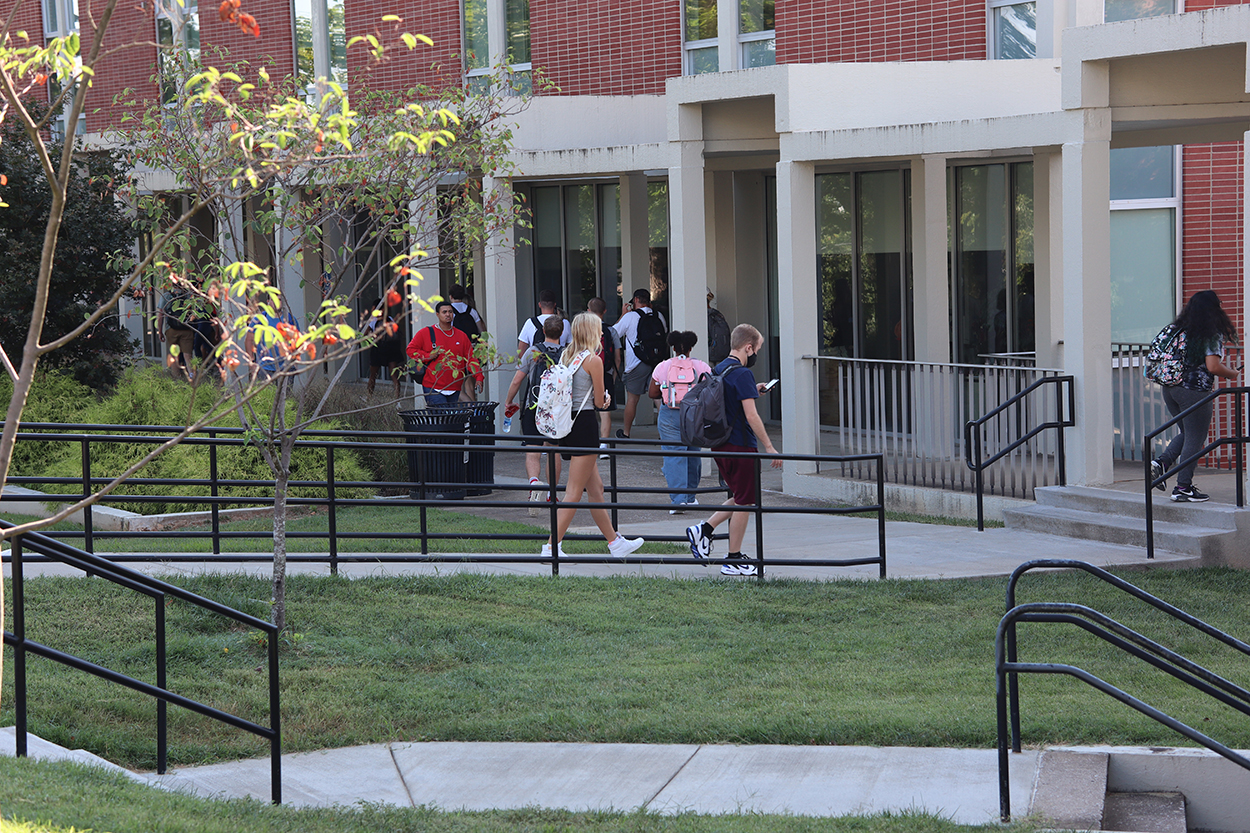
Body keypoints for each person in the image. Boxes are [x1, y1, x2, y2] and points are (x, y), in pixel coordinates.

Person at [543, 312, 644, 559]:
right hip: (585, 425)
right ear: (590, 332)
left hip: (568, 424)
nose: (602, 333)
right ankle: (551, 546)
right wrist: (607, 398)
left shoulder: (567, 355)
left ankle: (614, 543)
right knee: (575, 492)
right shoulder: (593, 360)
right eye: (598, 329)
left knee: (596, 488)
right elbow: (600, 402)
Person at [685, 323, 782, 576]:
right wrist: (770, 447)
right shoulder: (742, 374)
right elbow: (751, 416)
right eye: (756, 349)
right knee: (746, 501)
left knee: (741, 495)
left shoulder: (719, 369)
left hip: (720, 444)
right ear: (748, 347)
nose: (755, 354)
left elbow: (730, 402)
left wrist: (755, 389)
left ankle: (704, 530)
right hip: (740, 444)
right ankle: (733, 558)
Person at [1150, 290, 1241, 503]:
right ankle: (1183, 487)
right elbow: (1213, 366)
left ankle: (1162, 463)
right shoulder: (1210, 332)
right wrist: (1232, 373)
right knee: (1196, 437)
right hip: (1193, 390)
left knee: (1188, 432)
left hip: (1169, 387)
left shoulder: (1177, 329)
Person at [504, 314, 565, 514]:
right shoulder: (567, 353)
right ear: (562, 332)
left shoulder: (532, 352)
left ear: (543, 331)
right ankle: (552, 493)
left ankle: (533, 485)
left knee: (533, 451)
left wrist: (509, 401)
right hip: (556, 410)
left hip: (533, 407)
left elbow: (517, 380)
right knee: (552, 450)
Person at [649, 330, 712, 513]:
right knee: (693, 454)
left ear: (673, 347)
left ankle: (678, 501)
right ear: (691, 347)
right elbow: (711, 390)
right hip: (694, 414)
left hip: (670, 414)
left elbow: (652, 393)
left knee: (674, 456)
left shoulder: (663, 366)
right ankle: (690, 497)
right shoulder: (701, 366)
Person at [611, 288, 668, 439]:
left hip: (636, 364)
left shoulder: (630, 317)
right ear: (648, 301)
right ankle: (664, 432)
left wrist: (623, 315)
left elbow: (613, 333)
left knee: (632, 399)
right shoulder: (659, 316)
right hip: (656, 362)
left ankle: (626, 432)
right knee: (658, 398)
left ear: (635, 300)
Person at [406, 300, 484, 407]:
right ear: (438, 314)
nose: (448, 314)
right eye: (444, 312)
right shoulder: (426, 332)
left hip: (455, 387)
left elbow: (471, 359)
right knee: (441, 420)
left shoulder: (461, 336)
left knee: (451, 421)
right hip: (433, 386)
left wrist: (479, 377)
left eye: (450, 312)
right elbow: (410, 350)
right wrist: (429, 356)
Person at [587, 297, 621, 456]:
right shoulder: (610, 330)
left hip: (585, 373)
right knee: (604, 409)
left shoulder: (583, 329)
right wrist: (613, 375)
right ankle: (604, 446)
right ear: (605, 311)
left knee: (586, 409)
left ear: (588, 311)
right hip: (604, 373)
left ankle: (588, 442)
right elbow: (617, 357)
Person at [449, 283, 485, 402]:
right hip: (472, 349)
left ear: (450, 296)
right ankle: (472, 410)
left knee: (457, 383)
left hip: (456, 350)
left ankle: (462, 412)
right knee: (470, 380)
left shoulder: (448, 312)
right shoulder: (472, 311)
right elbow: (482, 331)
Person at [364, 300, 405, 397]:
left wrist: (372, 337)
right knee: (394, 376)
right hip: (392, 350)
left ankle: (369, 397)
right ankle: (397, 399)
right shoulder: (390, 318)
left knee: (373, 376)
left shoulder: (373, 320)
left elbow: (365, 334)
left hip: (378, 349)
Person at [158, 285, 197, 381]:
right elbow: (194, 313)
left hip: (171, 329)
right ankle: (192, 378)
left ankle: (176, 379)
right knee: (188, 355)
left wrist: (160, 331)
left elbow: (160, 315)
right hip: (187, 329)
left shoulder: (166, 296)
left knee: (174, 354)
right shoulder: (189, 296)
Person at [517, 289, 571, 355]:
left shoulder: (530, 322)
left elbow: (521, 350)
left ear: (539, 305)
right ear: (554, 305)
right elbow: (570, 348)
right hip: (558, 363)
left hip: (536, 362)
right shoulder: (564, 323)